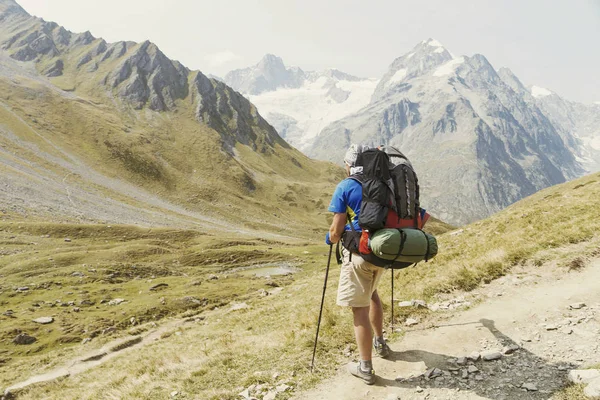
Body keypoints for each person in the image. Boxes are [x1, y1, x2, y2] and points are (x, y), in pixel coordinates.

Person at [325, 144, 390, 385]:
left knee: (359, 309)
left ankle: (365, 367)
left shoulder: (346, 186)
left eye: (345, 164)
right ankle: (380, 343)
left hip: (358, 254)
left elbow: (335, 230)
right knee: (372, 295)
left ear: (351, 164)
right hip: (382, 251)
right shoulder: (382, 183)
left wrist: (331, 238)